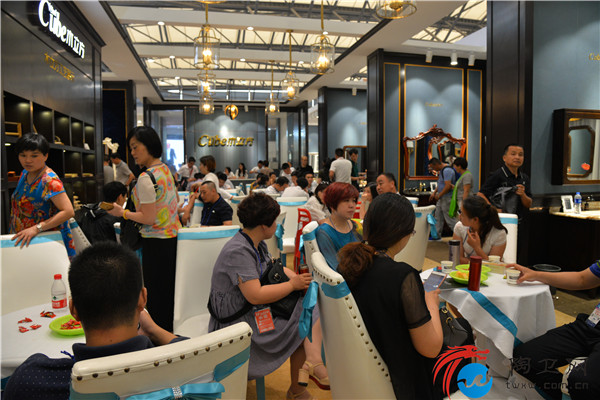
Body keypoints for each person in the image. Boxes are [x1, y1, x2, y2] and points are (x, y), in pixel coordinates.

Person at [3, 241, 186, 400]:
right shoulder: (180, 370)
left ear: (73, 310)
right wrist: (153, 330)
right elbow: (194, 350)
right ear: (143, 299)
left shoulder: (33, 381)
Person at [208, 194, 327, 400]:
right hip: (238, 322)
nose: (277, 225)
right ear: (264, 226)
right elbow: (255, 295)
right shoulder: (239, 251)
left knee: (308, 306)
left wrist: (297, 279)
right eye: (274, 221)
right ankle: (304, 378)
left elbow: (272, 268)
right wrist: (292, 285)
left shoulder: (253, 242)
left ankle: (307, 371)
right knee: (305, 318)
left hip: (250, 311)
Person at [337, 194, 443, 399]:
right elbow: (431, 348)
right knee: (462, 335)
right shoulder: (403, 276)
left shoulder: (348, 264)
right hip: (401, 378)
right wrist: (431, 301)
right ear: (403, 234)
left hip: (360, 369)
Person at [107, 126, 181, 331]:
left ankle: (158, 338)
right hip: (172, 240)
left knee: (156, 295)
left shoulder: (146, 177)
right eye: (131, 148)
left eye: (135, 147)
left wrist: (122, 213)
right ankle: (168, 336)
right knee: (168, 293)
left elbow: (148, 218)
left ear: (149, 145)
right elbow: (171, 203)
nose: (132, 153)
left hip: (155, 243)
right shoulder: (165, 170)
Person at [512, 259, 600, 400]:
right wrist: (535, 274)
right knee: (524, 359)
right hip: (592, 324)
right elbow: (582, 278)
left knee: (582, 380)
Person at [10, 133, 76, 258]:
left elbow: (68, 211)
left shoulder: (50, 180)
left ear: (45, 156)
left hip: (46, 241)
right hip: (26, 240)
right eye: (23, 155)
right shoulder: (25, 173)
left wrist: (36, 228)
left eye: (34, 155)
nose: (27, 160)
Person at [315, 182, 362, 270]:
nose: (352, 205)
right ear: (332, 204)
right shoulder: (324, 233)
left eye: (354, 200)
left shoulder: (355, 225)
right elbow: (335, 268)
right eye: (346, 200)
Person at [478, 144, 532, 218]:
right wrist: (493, 209)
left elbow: (528, 204)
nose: (517, 157)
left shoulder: (524, 178)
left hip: (519, 219)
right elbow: (480, 195)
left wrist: (523, 194)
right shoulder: (497, 175)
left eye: (520, 155)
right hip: (500, 219)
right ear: (504, 158)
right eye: (513, 154)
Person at [452, 196, 507, 263]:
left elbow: (494, 265)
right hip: (467, 268)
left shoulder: (499, 233)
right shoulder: (459, 227)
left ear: (475, 219)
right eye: (460, 212)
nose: (459, 216)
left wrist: (477, 248)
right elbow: (457, 259)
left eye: (462, 214)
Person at [429, 158, 458, 236]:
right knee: (438, 216)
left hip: (447, 197)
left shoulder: (447, 171)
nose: (433, 169)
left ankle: (460, 235)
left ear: (436, 164)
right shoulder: (442, 170)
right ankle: (436, 235)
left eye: (433, 167)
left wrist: (439, 195)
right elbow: (441, 183)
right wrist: (434, 192)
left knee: (450, 219)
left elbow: (448, 186)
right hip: (442, 197)